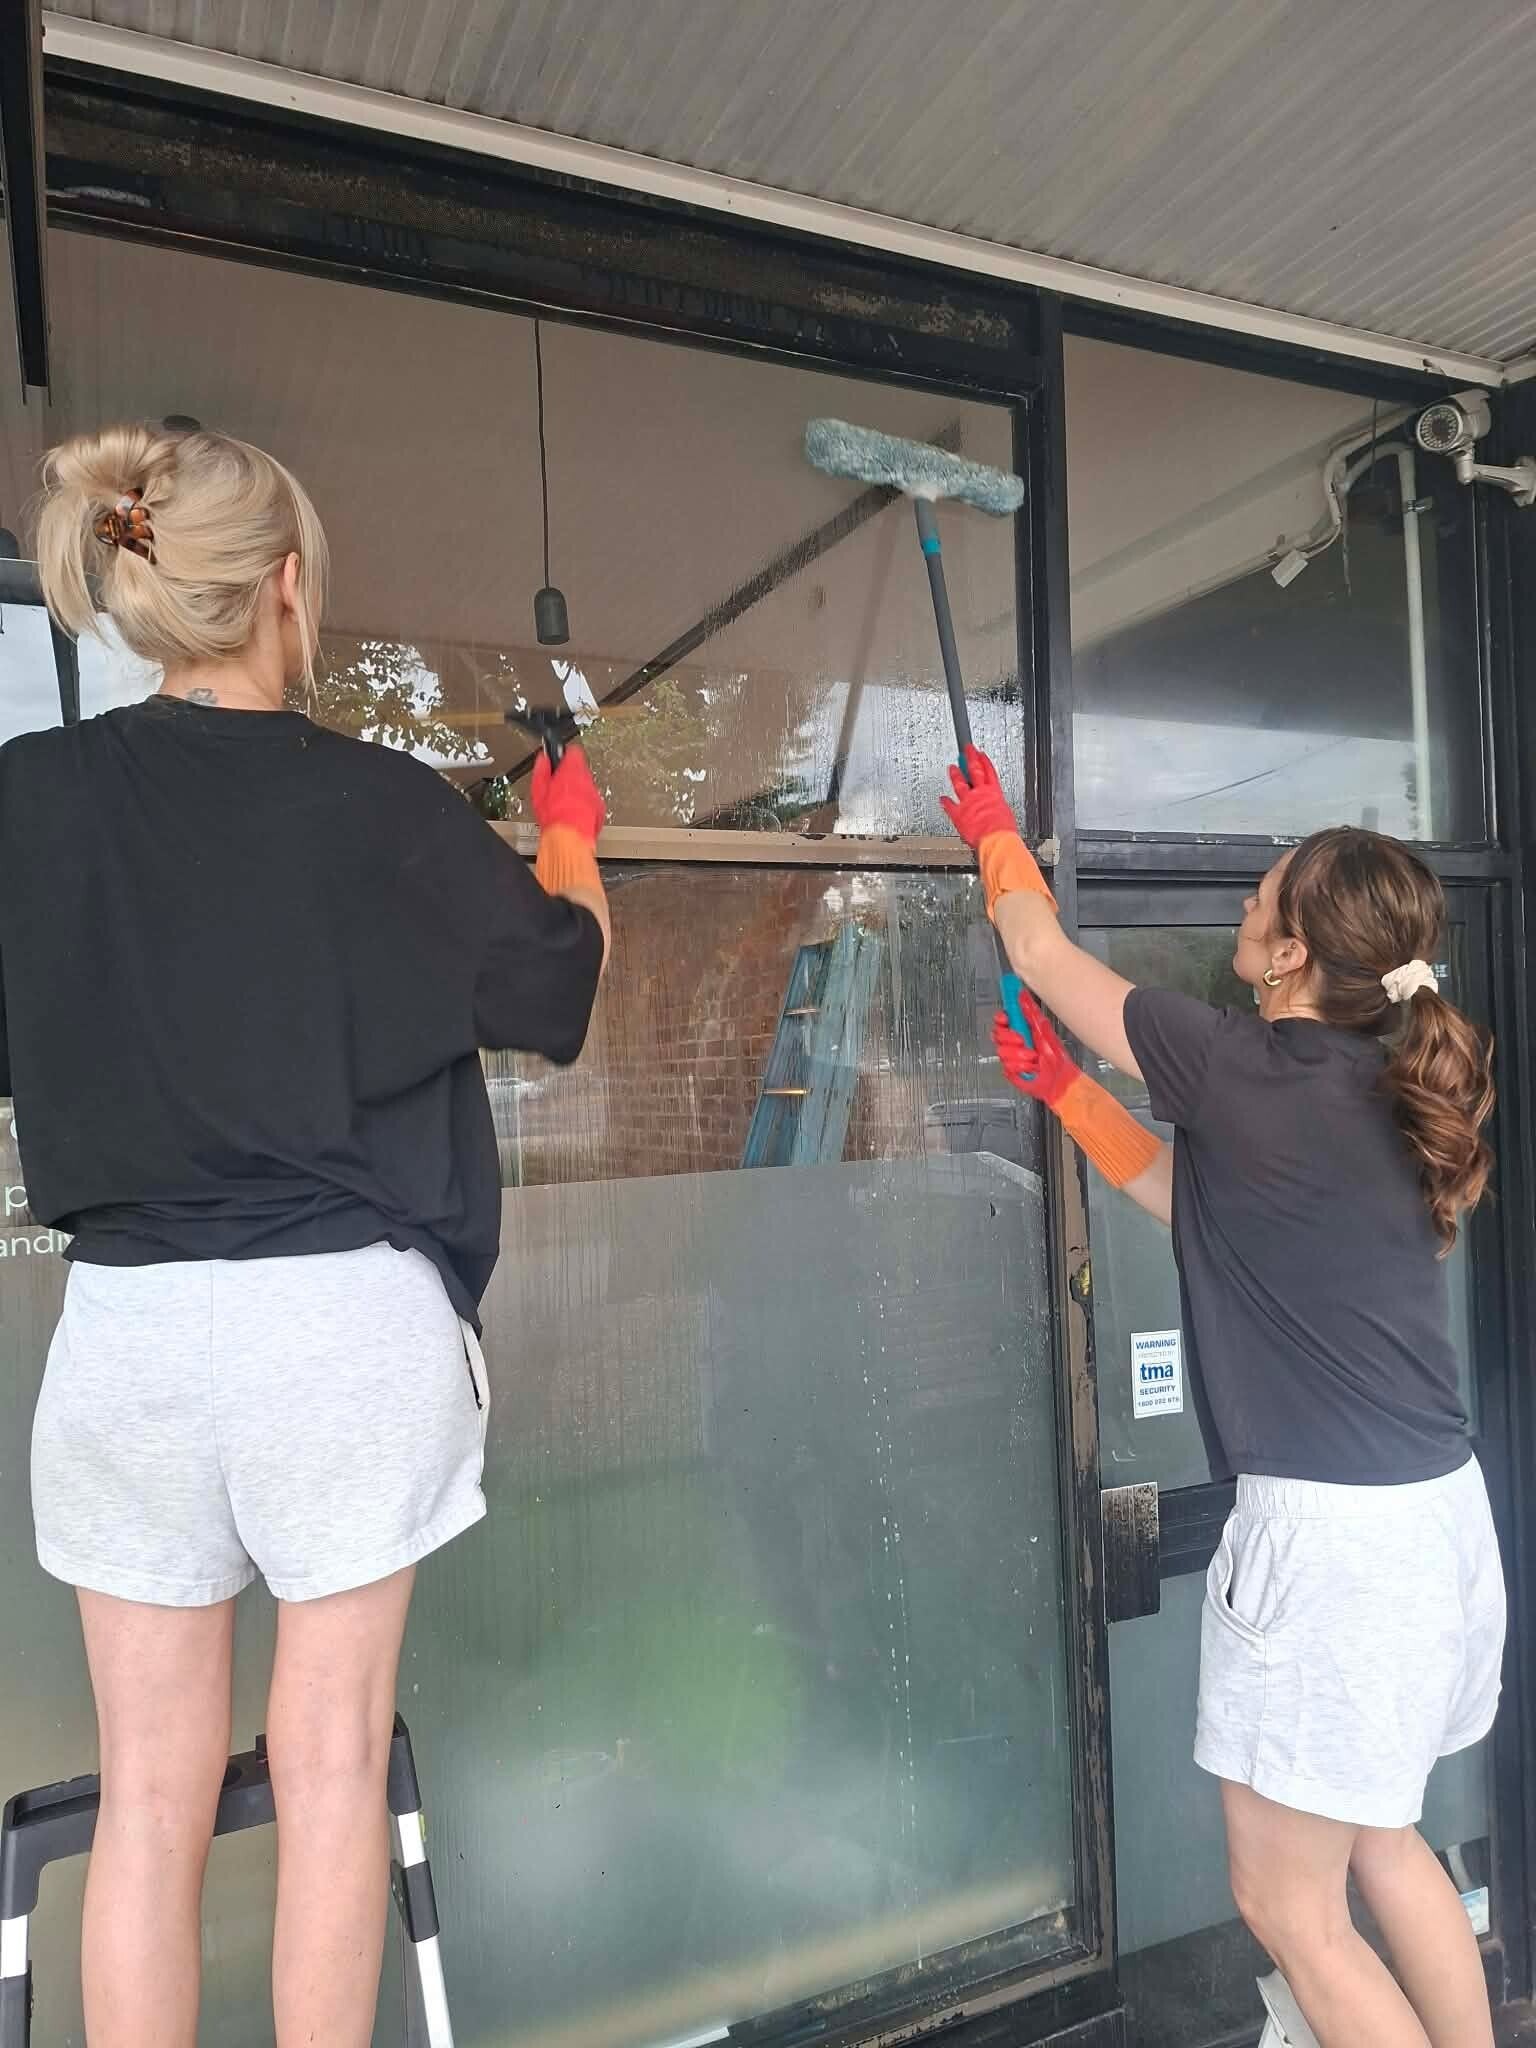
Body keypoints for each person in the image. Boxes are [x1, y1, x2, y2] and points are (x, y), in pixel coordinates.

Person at [0, 422, 610, 2048]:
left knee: (148, 1797)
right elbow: (558, 985)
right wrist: (568, 835)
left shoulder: (30, 800)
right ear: (284, 585)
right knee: (330, 1765)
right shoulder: (378, 805)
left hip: (127, 1337)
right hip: (340, 1332)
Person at [942, 748, 1504, 2048]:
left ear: (1292, 954)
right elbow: (1198, 1212)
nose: (1243, 906)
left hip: (1334, 1551)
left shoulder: (1238, 1062)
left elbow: (1037, 948)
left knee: (1290, 1910)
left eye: (1262, 894)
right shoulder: (1379, 1091)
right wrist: (1068, 1092)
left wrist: (996, 837)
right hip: (1434, 1526)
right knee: (1386, 1839)